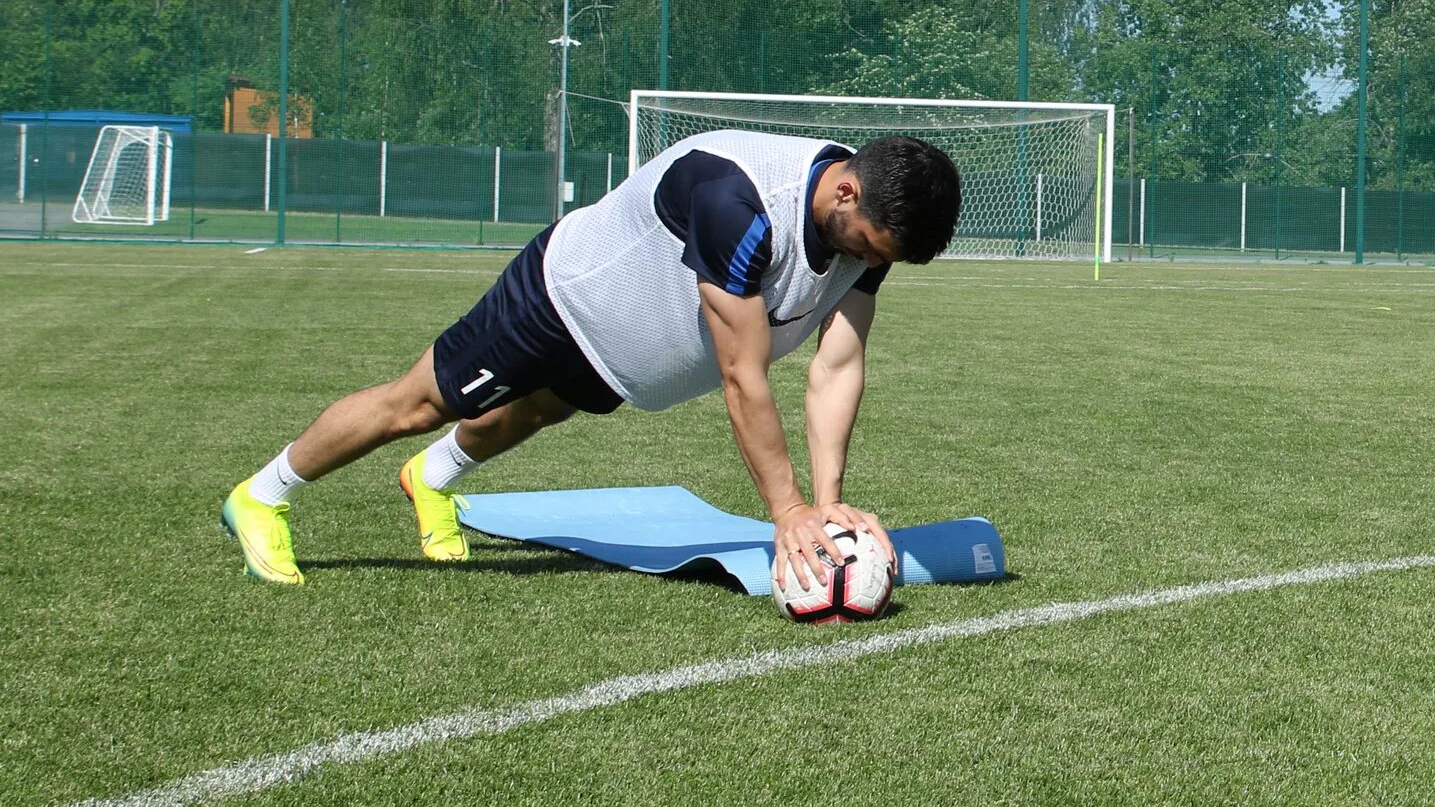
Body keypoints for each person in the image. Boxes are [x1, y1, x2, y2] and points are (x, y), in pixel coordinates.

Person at [219, 130, 964, 588]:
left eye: (880, 256)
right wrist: (789, 513)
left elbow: (837, 364)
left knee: (537, 411)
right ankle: (263, 493)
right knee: (421, 404)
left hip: (624, 347)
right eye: (865, 242)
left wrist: (828, 499)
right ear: (845, 189)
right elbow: (745, 375)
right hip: (564, 297)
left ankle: (433, 479)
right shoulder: (739, 202)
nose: (866, 260)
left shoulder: (869, 234)